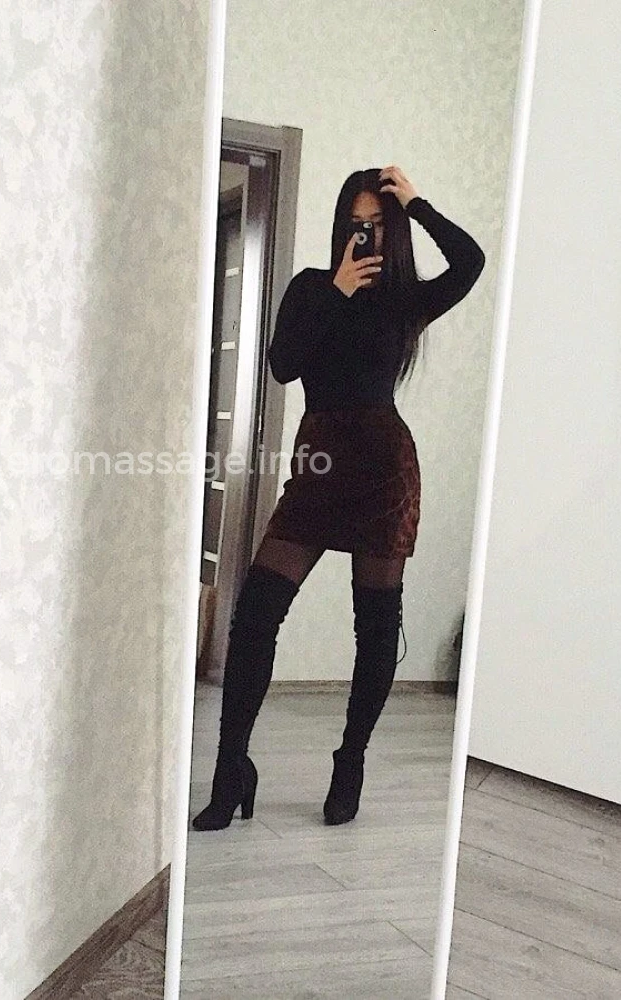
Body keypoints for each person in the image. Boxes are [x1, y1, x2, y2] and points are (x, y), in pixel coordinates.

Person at [192, 165, 485, 831]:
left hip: (384, 471)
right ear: (340, 227)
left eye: (379, 224)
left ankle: (350, 762)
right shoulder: (310, 287)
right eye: (357, 223)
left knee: (375, 627)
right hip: (319, 467)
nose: (367, 235)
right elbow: (283, 365)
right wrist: (335, 290)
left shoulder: (406, 302)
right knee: (255, 614)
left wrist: (417, 202)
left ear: (394, 229)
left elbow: (471, 261)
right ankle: (231, 769)